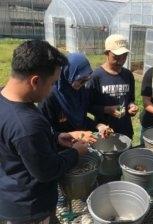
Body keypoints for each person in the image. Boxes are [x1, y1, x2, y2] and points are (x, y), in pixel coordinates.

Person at [0, 40, 89, 223]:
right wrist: (75, 153)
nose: (51, 91)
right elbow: (47, 171)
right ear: (35, 81)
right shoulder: (26, 124)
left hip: (10, 191)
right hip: (30, 208)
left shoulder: (5, 99)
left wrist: (55, 137)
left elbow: (17, 145)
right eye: (51, 83)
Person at [38, 53, 111, 142]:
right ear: (68, 74)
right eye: (81, 80)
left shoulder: (81, 91)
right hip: (60, 149)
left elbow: (81, 120)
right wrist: (74, 135)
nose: (84, 83)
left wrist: (98, 126)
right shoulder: (49, 97)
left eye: (87, 79)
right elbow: (44, 131)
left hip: (80, 145)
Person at [86, 34, 138, 139]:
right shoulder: (96, 77)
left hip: (125, 130)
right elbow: (87, 106)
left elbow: (130, 99)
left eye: (124, 56)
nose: (121, 61)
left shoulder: (128, 75)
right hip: (104, 132)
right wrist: (108, 110)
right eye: (116, 57)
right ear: (107, 53)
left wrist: (131, 107)